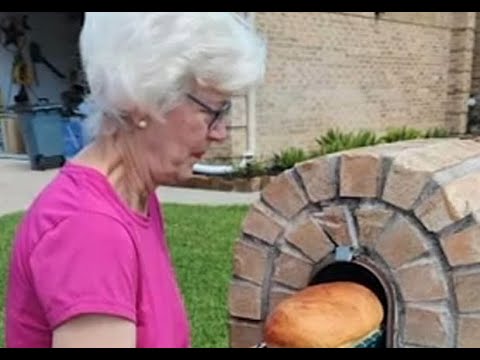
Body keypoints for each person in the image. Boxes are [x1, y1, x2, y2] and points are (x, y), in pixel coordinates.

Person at [5, 12, 267, 348]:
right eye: (213, 111)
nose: (220, 132)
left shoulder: (134, 198)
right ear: (142, 103)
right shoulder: (90, 229)